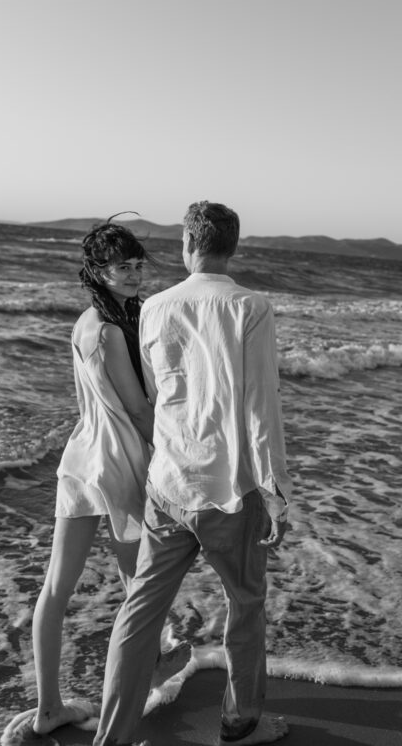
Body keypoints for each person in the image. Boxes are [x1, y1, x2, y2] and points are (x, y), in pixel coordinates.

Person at [94, 201, 292, 746]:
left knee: (140, 610)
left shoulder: (154, 307)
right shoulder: (252, 306)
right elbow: (259, 407)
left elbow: (160, 396)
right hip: (230, 490)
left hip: (168, 485)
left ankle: (110, 734)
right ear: (232, 246)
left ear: (188, 244)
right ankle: (239, 720)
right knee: (246, 601)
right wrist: (275, 490)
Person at [3, 220, 161, 744]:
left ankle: (48, 707)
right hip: (120, 461)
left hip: (82, 455)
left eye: (139, 264)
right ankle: (131, 703)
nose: (136, 274)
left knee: (56, 588)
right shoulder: (114, 329)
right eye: (124, 267)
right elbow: (138, 410)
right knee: (136, 588)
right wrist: (171, 452)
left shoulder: (85, 321)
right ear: (98, 271)